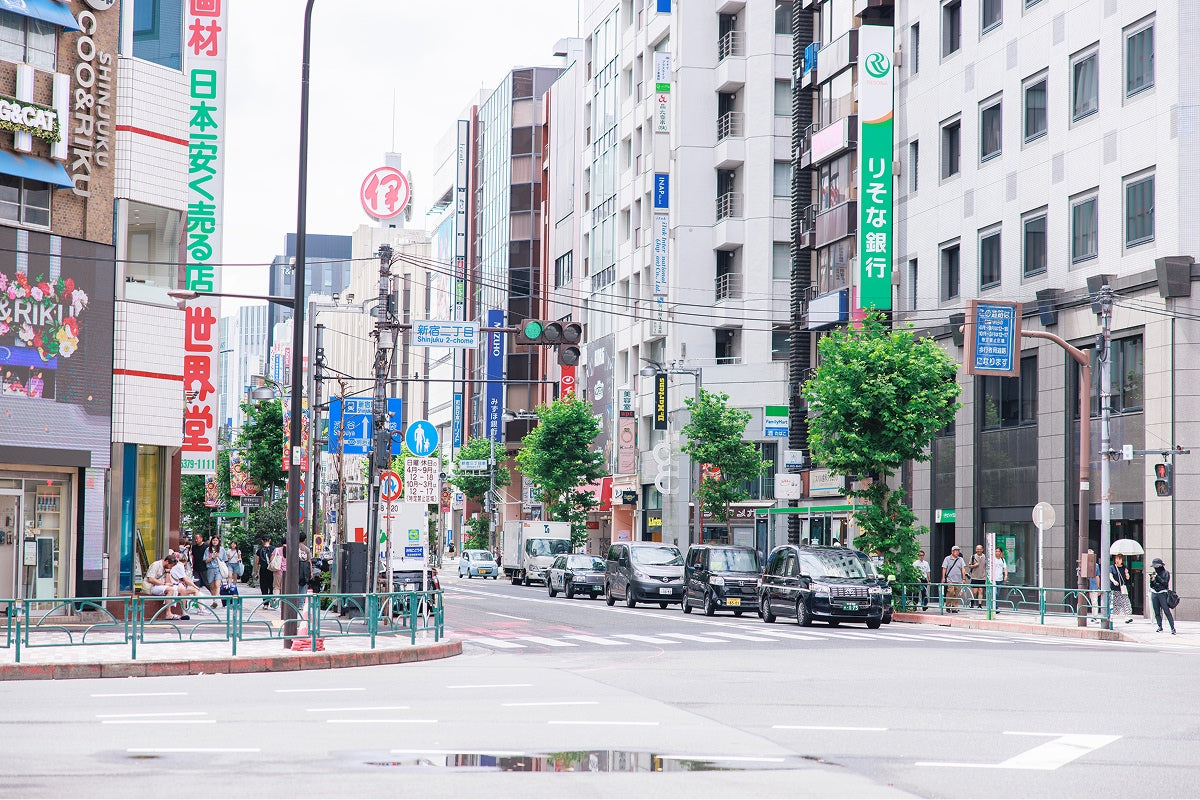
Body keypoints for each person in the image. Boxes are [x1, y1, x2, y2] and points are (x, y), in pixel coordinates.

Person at [143, 553, 186, 620]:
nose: (171, 568)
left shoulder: (167, 568)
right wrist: (163, 584)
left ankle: (183, 612)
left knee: (182, 589)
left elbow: (168, 582)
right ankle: (168, 613)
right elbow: (151, 579)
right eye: (170, 566)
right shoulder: (156, 565)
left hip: (161, 586)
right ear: (167, 562)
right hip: (152, 586)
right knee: (170, 590)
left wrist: (168, 573)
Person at [1149, 557, 1177, 634]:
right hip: (1155, 593)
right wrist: (1152, 579)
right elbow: (1152, 585)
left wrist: (1157, 577)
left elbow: (1165, 583)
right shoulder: (1154, 573)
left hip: (1163, 593)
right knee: (1157, 611)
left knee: (1166, 611)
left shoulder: (1166, 573)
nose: (1155, 568)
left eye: (1156, 566)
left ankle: (1172, 627)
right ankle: (1160, 626)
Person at [941, 545, 966, 612]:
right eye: (956, 551)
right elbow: (944, 568)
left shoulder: (960, 559)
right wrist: (943, 577)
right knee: (951, 592)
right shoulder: (947, 559)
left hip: (958, 579)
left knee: (957, 594)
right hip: (950, 579)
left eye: (958, 551)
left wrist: (964, 578)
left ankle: (954, 607)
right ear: (952, 552)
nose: (957, 552)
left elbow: (963, 569)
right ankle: (948, 605)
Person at [1110, 553, 1134, 624]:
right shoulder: (1112, 567)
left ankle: (1127, 616)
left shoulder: (1124, 568)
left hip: (1122, 588)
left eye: (1119, 559)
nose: (1117, 560)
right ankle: (1111, 616)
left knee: (1125, 601)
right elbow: (1110, 575)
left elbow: (1127, 578)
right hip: (1114, 588)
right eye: (1116, 559)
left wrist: (1127, 573)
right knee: (1113, 602)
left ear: (1122, 560)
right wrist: (1114, 581)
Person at [256, 535, 275, 604]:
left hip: (263, 569)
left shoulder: (259, 550)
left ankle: (265, 604)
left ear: (262, 541)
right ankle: (271, 599)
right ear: (270, 540)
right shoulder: (274, 549)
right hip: (272, 569)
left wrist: (255, 572)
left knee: (264, 586)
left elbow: (257, 562)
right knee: (272, 585)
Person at [967, 544, 987, 609]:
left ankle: (980, 605)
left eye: (980, 549)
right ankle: (972, 602)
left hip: (982, 577)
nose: (979, 550)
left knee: (981, 590)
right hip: (974, 576)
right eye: (977, 549)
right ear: (976, 550)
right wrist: (974, 565)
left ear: (982, 550)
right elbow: (969, 566)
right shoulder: (973, 557)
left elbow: (987, 567)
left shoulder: (985, 557)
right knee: (975, 591)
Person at [989, 546, 1008, 612]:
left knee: (997, 594)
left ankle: (995, 606)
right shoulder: (993, 559)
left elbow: (1005, 568)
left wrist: (1005, 575)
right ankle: (995, 607)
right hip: (993, 579)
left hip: (999, 579)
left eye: (998, 551)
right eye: (996, 551)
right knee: (995, 593)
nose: (997, 553)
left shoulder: (1002, 560)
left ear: (1001, 552)